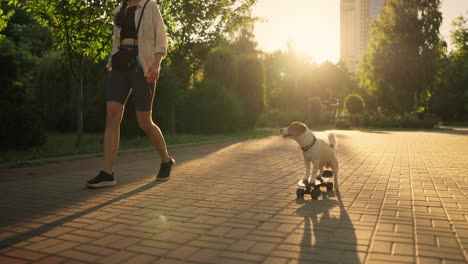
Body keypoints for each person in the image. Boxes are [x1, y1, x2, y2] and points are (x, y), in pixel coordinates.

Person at [86, 0, 174, 188]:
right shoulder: (120, 9)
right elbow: (116, 39)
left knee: (144, 121)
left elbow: (161, 38)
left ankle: (166, 160)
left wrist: (157, 64)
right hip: (119, 65)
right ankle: (108, 173)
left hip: (143, 66)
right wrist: (112, 60)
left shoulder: (150, 6)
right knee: (112, 115)